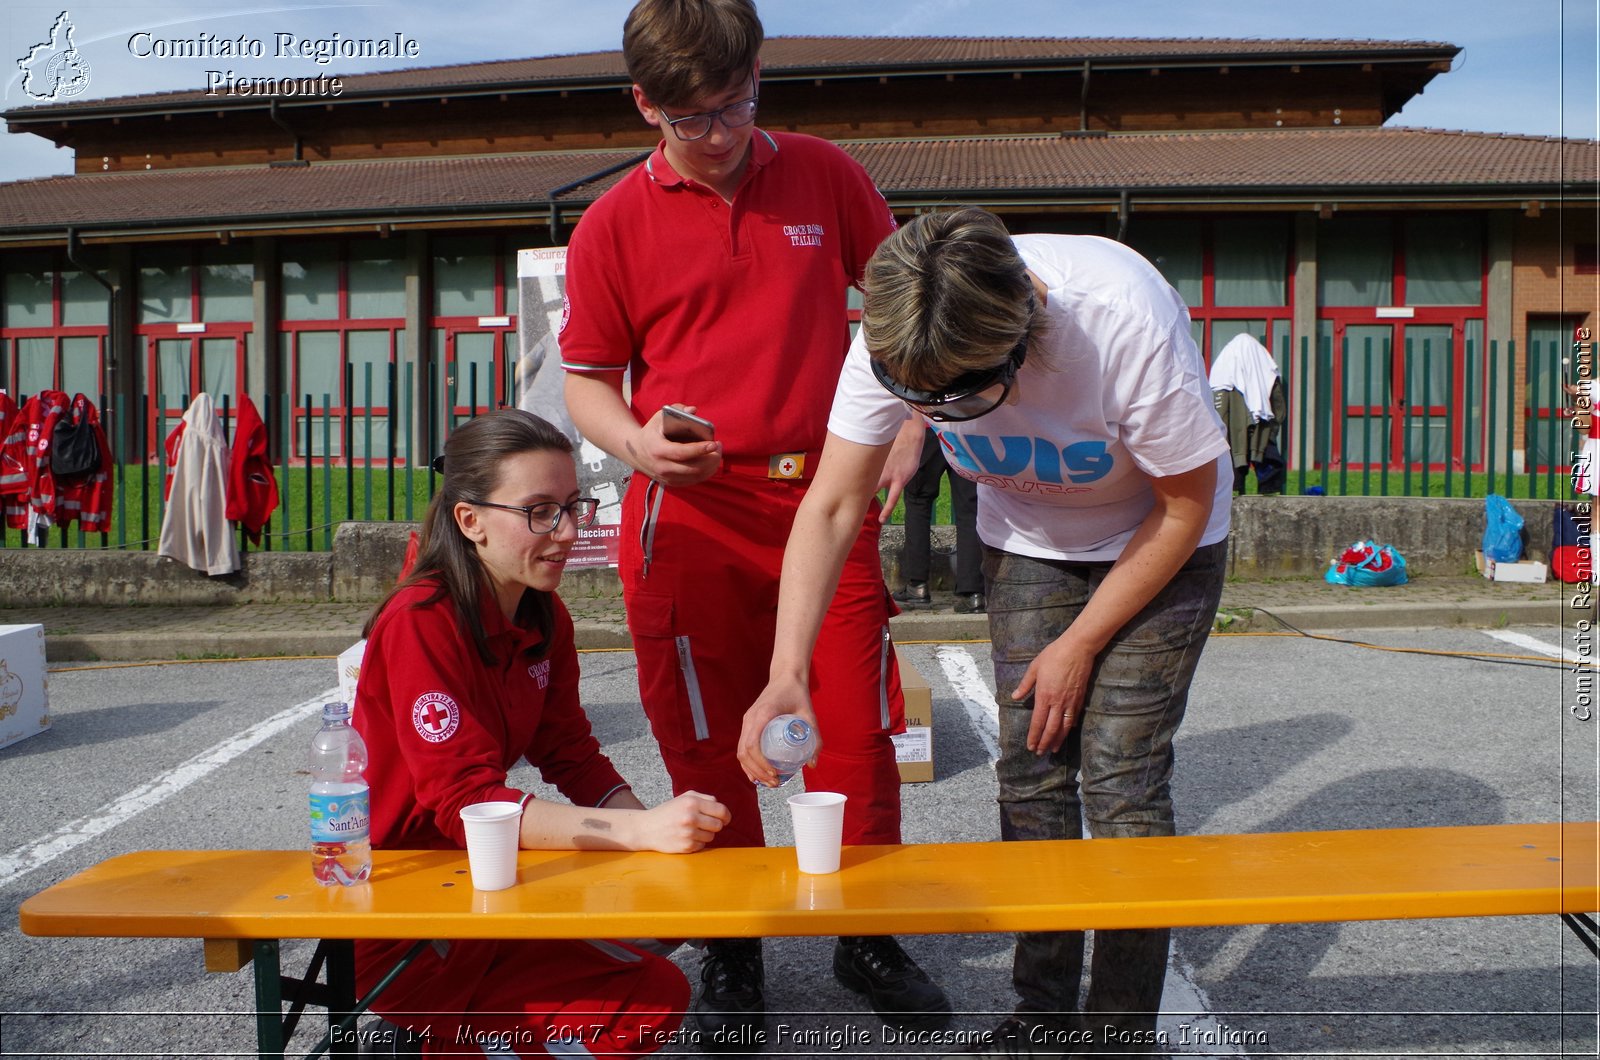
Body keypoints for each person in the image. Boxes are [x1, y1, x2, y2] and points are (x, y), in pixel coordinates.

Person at [743, 207, 1233, 1056]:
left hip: (1161, 534)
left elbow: (1186, 503)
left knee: (1120, 778)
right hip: (1030, 538)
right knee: (1031, 769)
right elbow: (828, 505)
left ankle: (1118, 1035)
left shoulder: (1118, 325)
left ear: (1020, 340)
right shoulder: (894, 332)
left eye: (962, 394)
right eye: (918, 401)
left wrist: (1079, 643)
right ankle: (1040, 1020)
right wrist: (787, 670)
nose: (940, 416)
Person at [558, 0, 948, 1044]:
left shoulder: (824, 174)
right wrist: (635, 442)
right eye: (693, 118)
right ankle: (731, 942)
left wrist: (907, 424)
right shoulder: (611, 225)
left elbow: (903, 304)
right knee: (702, 732)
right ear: (644, 104)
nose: (721, 133)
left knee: (858, 729)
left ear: (759, 76)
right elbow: (587, 379)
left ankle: (866, 930)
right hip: (688, 508)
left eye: (737, 105)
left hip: (823, 493)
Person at [352, 408, 731, 1057]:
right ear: (470, 520)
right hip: (403, 915)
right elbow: (466, 800)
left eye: (572, 506)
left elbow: (569, 752)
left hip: (488, 886)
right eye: (539, 511)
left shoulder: (544, 613)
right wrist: (638, 833)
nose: (567, 531)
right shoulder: (421, 620)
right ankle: (409, 1045)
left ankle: (422, 1042)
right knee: (635, 1013)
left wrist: (655, 852)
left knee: (658, 992)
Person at [893, 426, 984, 613]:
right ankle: (973, 593)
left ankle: (917, 585)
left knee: (918, 501)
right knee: (969, 508)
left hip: (928, 423)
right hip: (964, 428)